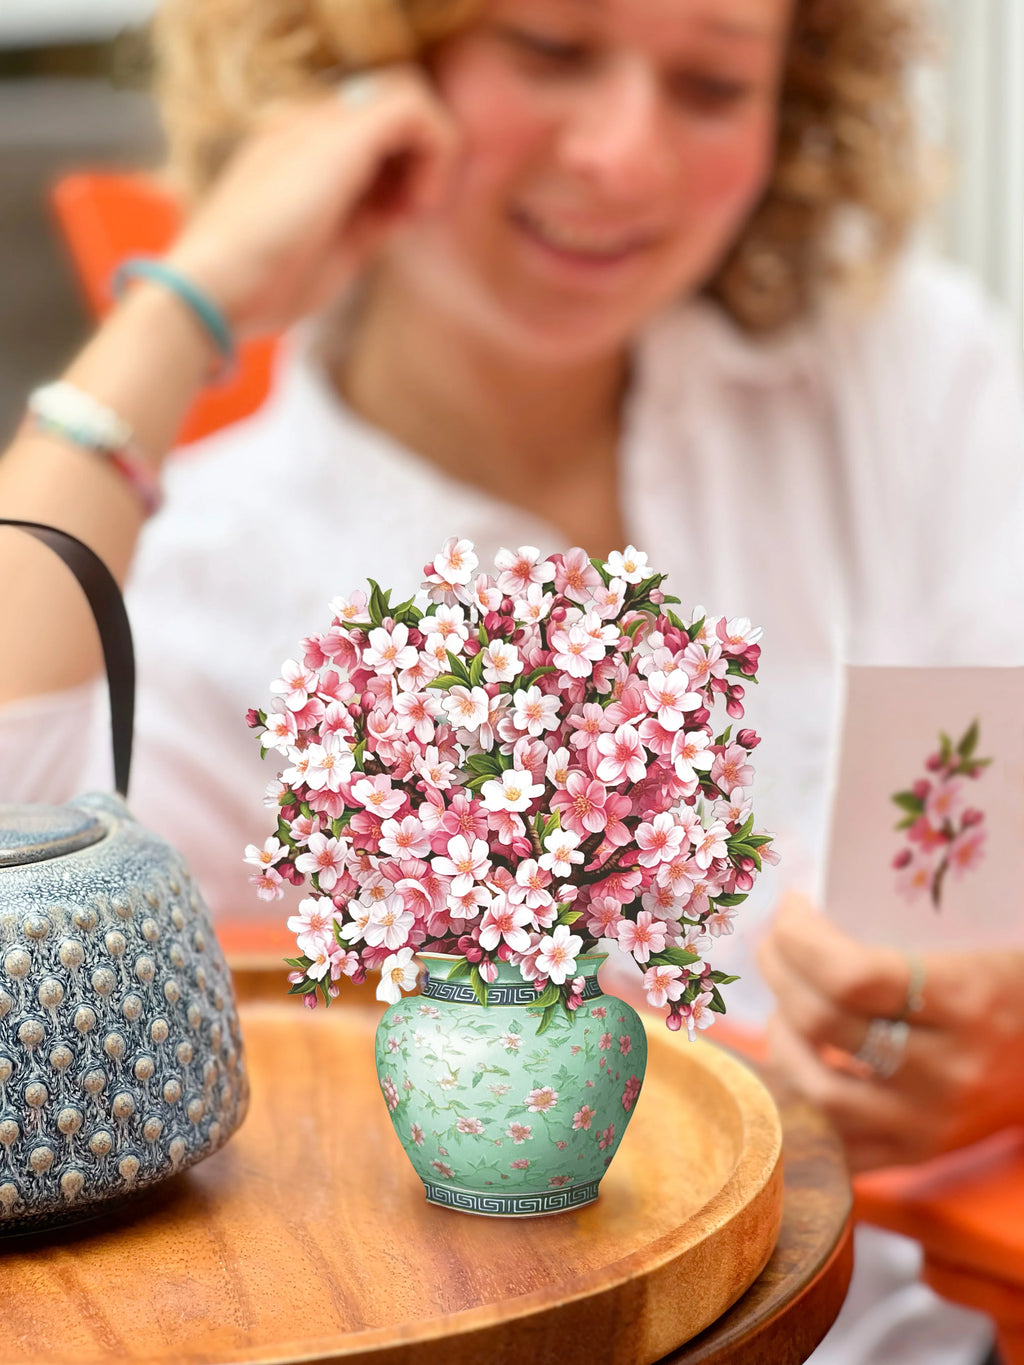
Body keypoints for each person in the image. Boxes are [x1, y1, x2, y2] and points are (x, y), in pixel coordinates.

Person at [1, 0, 1022, 1358]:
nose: (623, 157)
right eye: (547, 49)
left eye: (714, 84)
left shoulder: (894, 376)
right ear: (364, 65)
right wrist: (194, 299)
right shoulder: (205, 584)